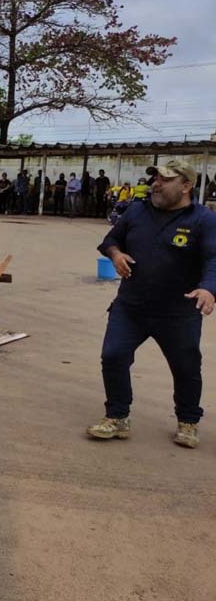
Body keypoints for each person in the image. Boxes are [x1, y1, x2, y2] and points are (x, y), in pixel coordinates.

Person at [89, 160, 216, 449]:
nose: (156, 184)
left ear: (186, 186)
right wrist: (116, 254)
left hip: (178, 312)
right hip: (131, 306)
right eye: (155, 177)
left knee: (186, 367)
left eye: (165, 179)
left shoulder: (203, 219)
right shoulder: (137, 211)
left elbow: (213, 259)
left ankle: (188, 421)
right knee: (113, 356)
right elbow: (110, 240)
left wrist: (208, 289)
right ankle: (118, 416)